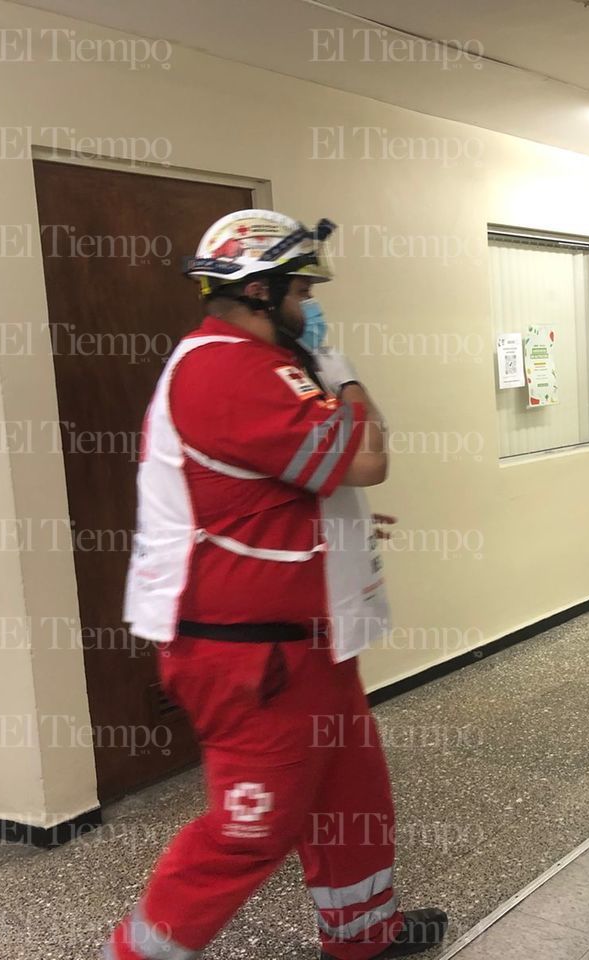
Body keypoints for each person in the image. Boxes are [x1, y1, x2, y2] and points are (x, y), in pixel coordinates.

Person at [105, 210, 446, 960]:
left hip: (308, 646)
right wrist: (343, 367)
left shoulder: (249, 366)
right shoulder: (229, 368)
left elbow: (264, 486)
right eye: (301, 290)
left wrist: (335, 531)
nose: (310, 306)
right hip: (254, 660)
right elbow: (368, 455)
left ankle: (363, 936)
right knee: (247, 830)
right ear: (261, 291)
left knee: (351, 801)